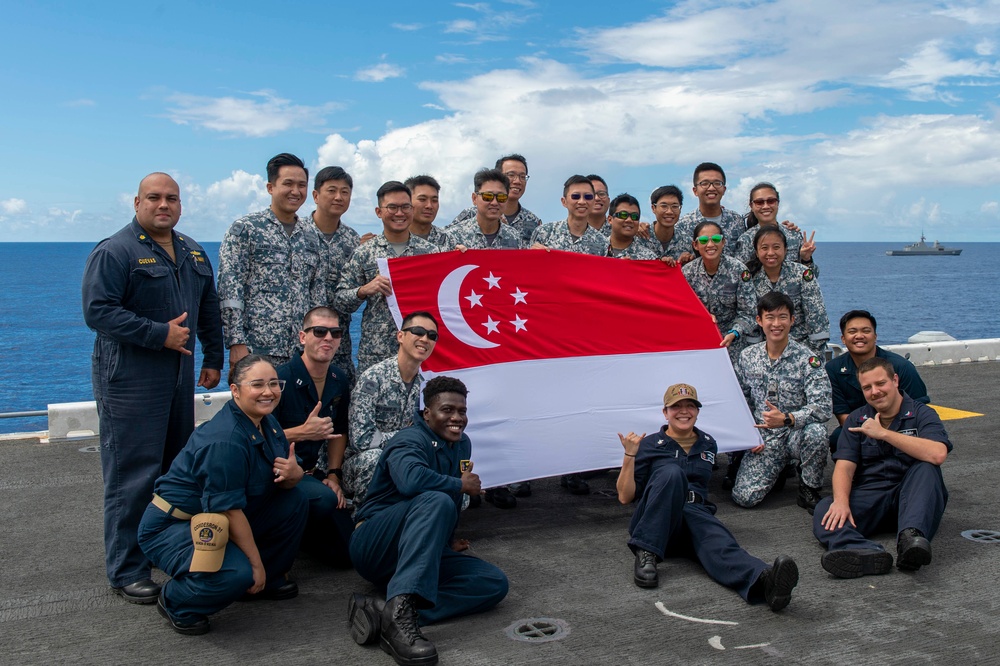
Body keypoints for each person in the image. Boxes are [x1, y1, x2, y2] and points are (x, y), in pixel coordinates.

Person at [82, 172, 224, 604]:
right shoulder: (115, 251)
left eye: (172, 199)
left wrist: (214, 357)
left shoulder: (193, 252)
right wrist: (156, 333)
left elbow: (208, 309)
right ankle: (126, 570)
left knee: (172, 471)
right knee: (133, 476)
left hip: (178, 378)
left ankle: (160, 547)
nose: (163, 205)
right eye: (154, 198)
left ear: (181, 206)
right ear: (137, 202)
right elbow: (97, 311)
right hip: (130, 380)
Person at [138, 355, 308, 635]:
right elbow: (229, 510)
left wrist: (295, 474)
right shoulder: (225, 441)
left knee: (295, 500)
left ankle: (264, 580)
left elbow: (283, 478)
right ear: (235, 390)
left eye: (274, 384)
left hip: (220, 515)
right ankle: (176, 601)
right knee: (236, 572)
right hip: (174, 524)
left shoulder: (266, 421)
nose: (268, 392)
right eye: (257, 385)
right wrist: (255, 565)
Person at [347, 376, 509, 666]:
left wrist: (444, 541)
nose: (457, 418)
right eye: (447, 410)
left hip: (418, 551)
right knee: (436, 497)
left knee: (493, 583)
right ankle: (399, 628)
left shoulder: (462, 444)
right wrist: (459, 485)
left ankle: (387, 610)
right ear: (427, 413)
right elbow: (411, 482)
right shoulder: (408, 440)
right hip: (375, 546)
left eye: (462, 411)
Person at [617, 384, 799, 611]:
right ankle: (646, 553)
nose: (684, 411)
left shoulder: (708, 442)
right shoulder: (649, 444)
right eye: (676, 407)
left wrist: (753, 444)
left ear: (698, 411)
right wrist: (629, 455)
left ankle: (764, 582)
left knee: (719, 543)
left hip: (694, 514)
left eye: (690, 406)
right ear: (665, 412)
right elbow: (625, 497)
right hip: (656, 519)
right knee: (672, 473)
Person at [814, 357, 951, 578]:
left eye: (880, 383)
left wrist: (884, 434)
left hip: (913, 495)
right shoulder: (857, 419)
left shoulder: (922, 413)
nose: (875, 391)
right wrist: (840, 502)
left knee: (927, 469)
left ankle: (910, 541)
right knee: (825, 509)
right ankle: (863, 552)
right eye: (867, 387)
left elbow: (937, 454)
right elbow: (845, 467)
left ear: (895, 380)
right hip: (872, 494)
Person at [218, 153, 326, 369]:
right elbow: (230, 289)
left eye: (302, 185)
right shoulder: (246, 230)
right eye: (288, 184)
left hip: (301, 353)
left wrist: (317, 342)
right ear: (270, 187)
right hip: (256, 351)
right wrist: (235, 341)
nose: (296, 191)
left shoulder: (313, 237)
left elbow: (317, 296)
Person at [732, 292, 832, 513]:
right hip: (764, 435)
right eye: (770, 317)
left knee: (817, 433)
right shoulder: (747, 357)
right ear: (759, 321)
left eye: (783, 317)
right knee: (744, 498)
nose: (776, 324)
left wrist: (788, 418)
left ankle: (809, 487)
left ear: (792, 320)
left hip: (796, 432)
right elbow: (740, 400)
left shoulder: (808, 359)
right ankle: (779, 469)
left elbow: (823, 407)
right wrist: (748, 436)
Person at [273, 307, 354, 567]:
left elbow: (339, 431)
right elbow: (252, 437)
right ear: (303, 337)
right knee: (324, 500)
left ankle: (302, 534)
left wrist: (333, 475)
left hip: (311, 472)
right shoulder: (278, 380)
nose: (328, 338)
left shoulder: (338, 379)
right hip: (274, 475)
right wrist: (301, 433)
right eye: (319, 331)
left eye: (335, 332)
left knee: (347, 553)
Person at [334, 181, 439, 374]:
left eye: (405, 207)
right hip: (376, 352)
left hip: (420, 351)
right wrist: (363, 290)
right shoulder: (365, 252)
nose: (399, 213)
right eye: (392, 207)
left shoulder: (431, 253)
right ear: (379, 211)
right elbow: (340, 300)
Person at [344, 312, 439, 505]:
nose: (424, 339)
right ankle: (365, 521)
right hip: (363, 464)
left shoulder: (426, 385)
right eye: (418, 332)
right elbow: (361, 440)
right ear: (400, 336)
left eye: (432, 335)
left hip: (406, 458)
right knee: (374, 458)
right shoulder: (374, 379)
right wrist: (407, 437)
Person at [826, 310, 930, 452]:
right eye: (852, 331)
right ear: (843, 339)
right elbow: (843, 417)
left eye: (866, 331)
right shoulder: (833, 369)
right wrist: (872, 432)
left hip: (902, 428)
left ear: (875, 336)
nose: (859, 336)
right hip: (861, 428)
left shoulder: (901, 367)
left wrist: (886, 434)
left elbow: (920, 410)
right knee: (838, 438)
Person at [736, 226, 830, 355]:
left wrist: (809, 354)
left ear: (785, 250)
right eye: (764, 248)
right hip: (764, 352)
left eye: (776, 247)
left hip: (801, 349)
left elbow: (817, 319)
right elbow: (752, 320)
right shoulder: (750, 279)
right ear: (757, 252)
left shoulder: (802, 274)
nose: (770, 253)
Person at [309, 166, 363, 383]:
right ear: (316, 195)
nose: (339, 197)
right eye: (331, 190)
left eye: (345, 192)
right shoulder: (297, 234)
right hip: (298, 342)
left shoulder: (352, 240)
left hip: (338, 345)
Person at [682, 220, 749, 361]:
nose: (711, 245)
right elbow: (681, 310)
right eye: (704, 240)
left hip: (732, 343)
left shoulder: (738, 270)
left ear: (723, 242)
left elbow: (748, 312)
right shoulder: (687, 273)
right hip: (698, 342)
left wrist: (735, 332)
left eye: (716, 239)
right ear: (695, 245)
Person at [448, 154, 542, 244]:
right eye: (511, 175)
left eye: (522, 177)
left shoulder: (533, 221)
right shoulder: (470, 214)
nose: (517, 181)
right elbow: (443, 240)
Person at [733, 182, 817, 273]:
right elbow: (739, 277)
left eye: (771, 201)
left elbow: (811, 277)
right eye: (759, 202)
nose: (765, 206)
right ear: (751, 206)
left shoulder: (794, 235)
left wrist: (806, 259)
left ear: (777, 203)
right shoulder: (746, 240)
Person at [675, 163, 746, 254]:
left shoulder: (736, 220)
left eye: (717, 183)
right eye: (705, 183)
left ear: (724, 189)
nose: (711, 188)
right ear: (695, 191)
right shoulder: (683, 225)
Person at [529, 175, 607, 257]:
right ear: (564, 201)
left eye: (588, 197)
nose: (582, 201)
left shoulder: (602, 243)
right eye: (575, 196)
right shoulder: (544, 233)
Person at [447, 169, 523, 250]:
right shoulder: (453, 237)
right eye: (487, 196)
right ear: (474, 198)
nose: (494, 202)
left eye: (501, 197)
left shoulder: (514, 237)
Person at [648, 185, 695, 264]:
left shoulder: (688, 243)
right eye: (664, 206)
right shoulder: (641, 237)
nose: (669, 211)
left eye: (675, 206)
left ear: (680, 209)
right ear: (653, 208)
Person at [604, 194, 659, 260]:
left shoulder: (649, 258)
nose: (629, 220)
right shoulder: (594, 248)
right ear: (610, 219)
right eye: (623, 215)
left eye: (634, 216)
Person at [404, 175, 453, 249]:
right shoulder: (394, 241)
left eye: (434, 201)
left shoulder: (450, 240)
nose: (429, 206)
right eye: (422, 199)